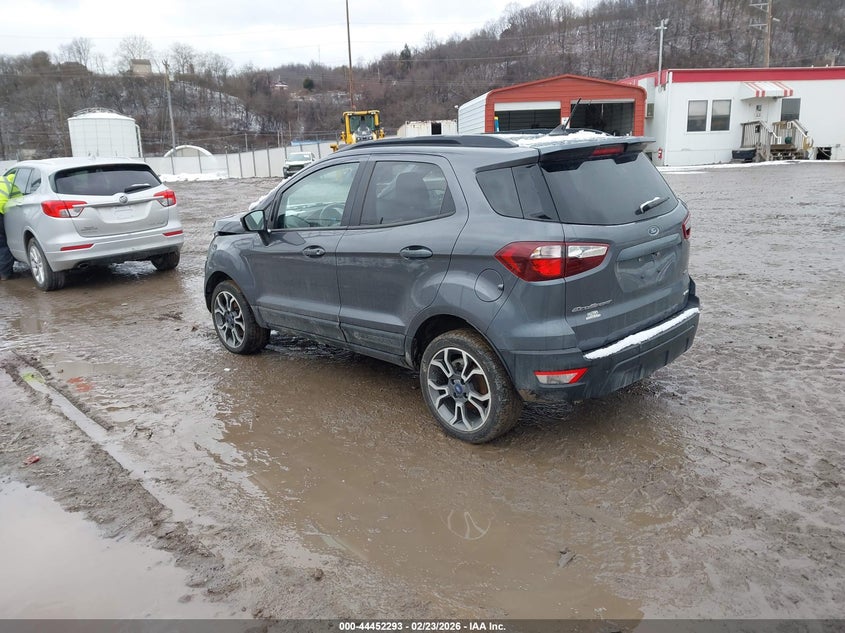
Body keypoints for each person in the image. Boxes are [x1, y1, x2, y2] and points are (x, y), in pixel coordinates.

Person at [0, 172, 19, 280]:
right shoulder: (11, 184)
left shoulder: (3, 181)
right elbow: (20, 201)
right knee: (2, 246)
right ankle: (5, 274)